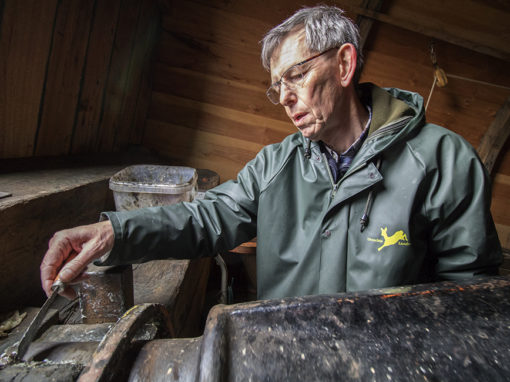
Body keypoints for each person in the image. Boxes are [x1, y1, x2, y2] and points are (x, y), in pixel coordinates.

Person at [41, 5, 502, 301]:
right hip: (287, 355)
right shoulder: (274, 165)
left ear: (344, 64)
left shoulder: (443, 160)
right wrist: (112, 234)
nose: (283, 97)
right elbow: (204, 218)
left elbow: (470, 294)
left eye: (295, 75)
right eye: (276, 85)